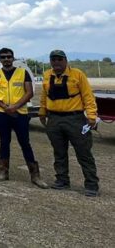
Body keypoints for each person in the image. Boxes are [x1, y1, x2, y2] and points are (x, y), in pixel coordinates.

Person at [39, 50, 99, 197]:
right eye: (53, 60)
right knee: (59, 152)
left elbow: (88, 96)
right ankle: (62, 180)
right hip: (54, 120)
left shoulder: (77, 75)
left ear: (65, 60)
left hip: (75, 119)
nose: (56, 63)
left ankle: (91, 184)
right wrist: (42, 112)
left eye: (59, 59)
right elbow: (44, 96)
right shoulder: (47, 75)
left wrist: (91, 116)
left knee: (83, 153)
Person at [0, 48, 48, 187]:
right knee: (4, 141)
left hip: (19, 112)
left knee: (25, 143)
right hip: (1, 112)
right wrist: (4, 106)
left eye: (9, 57)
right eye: (3, 57)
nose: (6, 59)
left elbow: (29, 92)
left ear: (13, 58)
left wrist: (15, 106)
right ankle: (3, 171)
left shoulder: (22, 72)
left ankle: (35, 175)